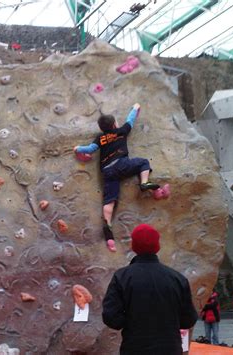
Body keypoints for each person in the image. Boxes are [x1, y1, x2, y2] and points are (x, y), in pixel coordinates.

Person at [74, 103, 160, 252]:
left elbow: (89, 149)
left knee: (109, 200)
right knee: (143, 162)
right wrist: (135, 108)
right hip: (122, 164)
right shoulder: (121, 131)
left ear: (101, 129)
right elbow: (130, 120)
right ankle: (144, 183)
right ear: (115, 124)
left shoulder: (100, 138)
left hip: (108, 171)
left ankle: (108, 231)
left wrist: (77, 149)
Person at [102, 224, 198, 354]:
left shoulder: (122, 277)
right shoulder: (177, 279)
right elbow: (188, 319)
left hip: (134, 348)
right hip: (170, 349)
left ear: (134, 246)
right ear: (157, 246)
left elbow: (111, 317)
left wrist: (131, 321)